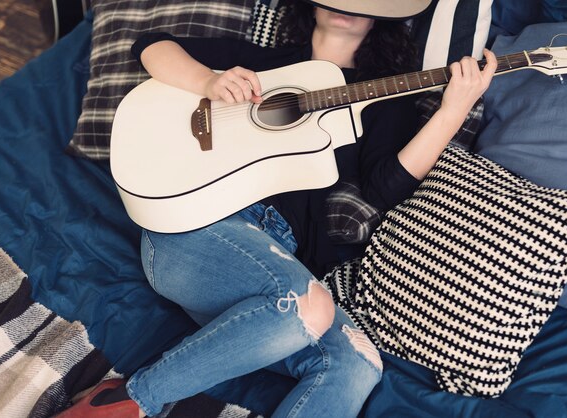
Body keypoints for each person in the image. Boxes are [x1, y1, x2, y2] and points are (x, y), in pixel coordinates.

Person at [55, 0, 497, 417]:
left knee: (358, 364)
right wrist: (207, 82)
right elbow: (150, 45)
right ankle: (124, 403)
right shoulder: (260, 63)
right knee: (308, 307)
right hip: (198, 228)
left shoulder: (384, 97)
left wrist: (453, 109)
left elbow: (385, 188)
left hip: (281, 261)